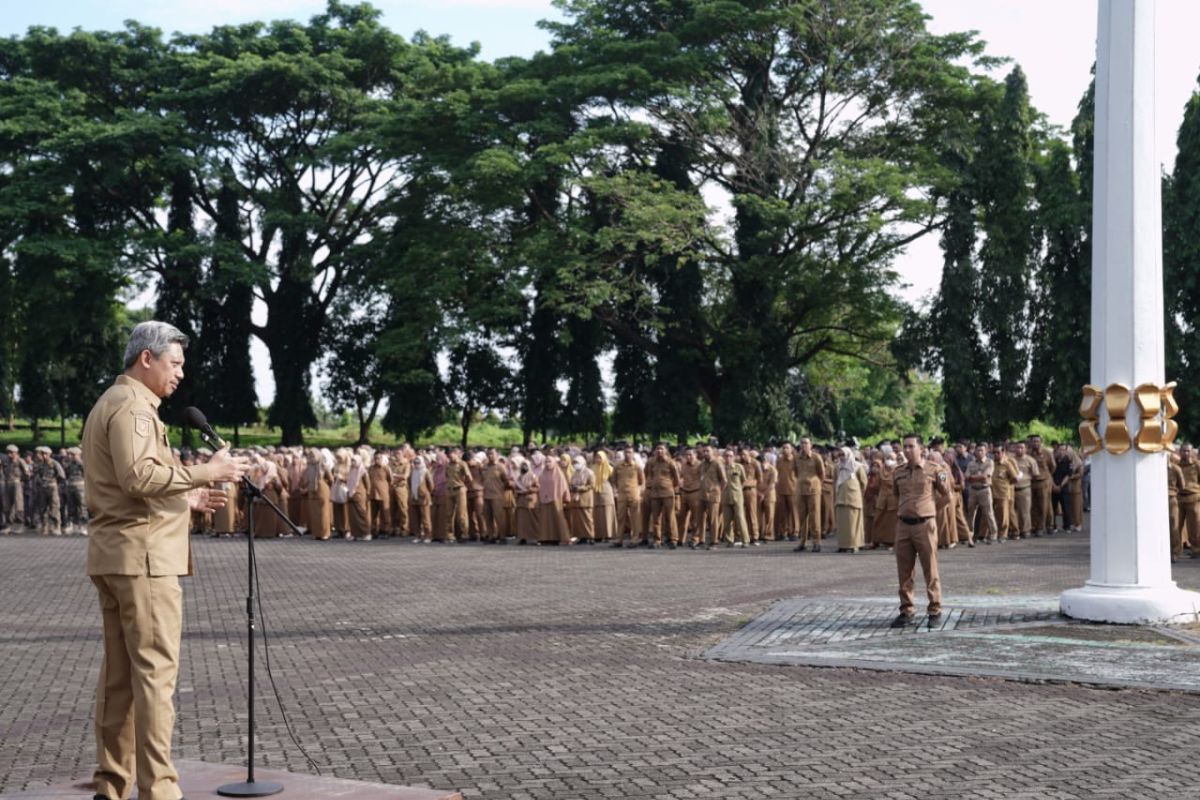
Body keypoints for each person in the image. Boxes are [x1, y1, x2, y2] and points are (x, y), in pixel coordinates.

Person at [83, 320, 249, 800]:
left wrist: (186, 499)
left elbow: (125, 485)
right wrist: (206, 472)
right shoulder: (135, 406)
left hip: (117, 554)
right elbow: (138, 476)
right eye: (174, 363)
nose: (180, 374)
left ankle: (111, 784)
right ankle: (160, 790)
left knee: (119, 680)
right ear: (146, 358)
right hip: (145, 559)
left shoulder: (110, 402)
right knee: (154, 678)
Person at [890, 434, 949, 628]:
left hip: (925, 525)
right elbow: (896, 495)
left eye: (910, 446)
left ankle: (935, 609)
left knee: (930, 569)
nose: (906, 450)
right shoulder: (898, 472)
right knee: (904, 571)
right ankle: (907, 610)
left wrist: (930, 510)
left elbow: (947, 496)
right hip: (903, 525)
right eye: (904, 447)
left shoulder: (934, 470)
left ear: (921, 449)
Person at [834, 446, 867, 553]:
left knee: (854, 524)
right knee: (842, 524)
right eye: (840, 455)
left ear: (848, 454)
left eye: (843, 454)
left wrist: (857, 493)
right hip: (841, 499)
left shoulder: (857, 466)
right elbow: (835, 481)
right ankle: (843, 545)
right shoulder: (837, 467)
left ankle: (855, 545)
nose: (841, 457)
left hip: (854, 499)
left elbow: (864, 483)